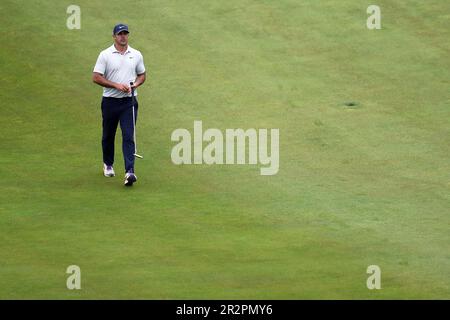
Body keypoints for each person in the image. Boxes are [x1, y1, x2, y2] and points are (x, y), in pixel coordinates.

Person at [92, 23, 146, 186]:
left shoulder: (136, 54)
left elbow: (142, 74)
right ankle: (108, 163)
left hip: (129, 102)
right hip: (110, 102)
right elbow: (96, 77)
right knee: (108, 134)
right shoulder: (105, 55)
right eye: (120, 34)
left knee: (129, 136)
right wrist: (116, 85)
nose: (123, 36)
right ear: (114, 36)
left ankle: (130, 171)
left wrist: (135, 84)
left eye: (125, 34)